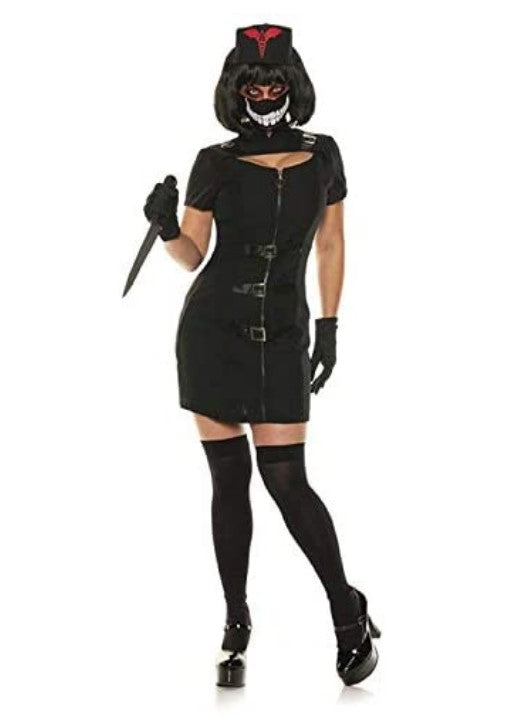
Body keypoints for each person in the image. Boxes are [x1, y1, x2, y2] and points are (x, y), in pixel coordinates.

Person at [143, 22, 380, 688]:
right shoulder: (214, 161)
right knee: (228, 480)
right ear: (237, 89)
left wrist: (329, 325)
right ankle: (236, 620)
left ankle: (347, 611)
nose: (265, 93)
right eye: (253, 83)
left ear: (291, 85)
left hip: (281, 333)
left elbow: (331, 243)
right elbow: (193, 255)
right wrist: (166, 226)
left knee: (286, 479)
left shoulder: (323, 154)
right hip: (212, 333)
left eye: (275, 82)